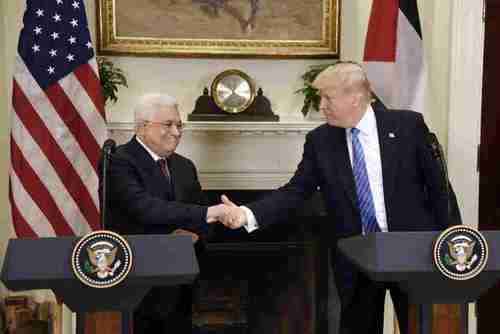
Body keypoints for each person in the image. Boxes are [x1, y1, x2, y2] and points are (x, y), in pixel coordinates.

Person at [213, 62, 456, 334]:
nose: (321, 106)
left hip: (413, 251)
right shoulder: (321, 140)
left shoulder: (408, 125)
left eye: (327, 97)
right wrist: (246, 213)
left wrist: (453, 245)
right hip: (357, 256)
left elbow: (440, 188)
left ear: (355, 96)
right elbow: (296, 192)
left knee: (422, 328)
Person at [102, 93, 227, 334]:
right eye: (168, 125)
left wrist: (195, 236)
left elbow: (202, 217)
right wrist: (205, 215)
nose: (177, 132)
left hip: (181, 280)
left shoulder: (184, 166)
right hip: (139, 283)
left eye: (179, 125)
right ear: (141, 127)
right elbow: (144, 208)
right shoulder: (119, 162)